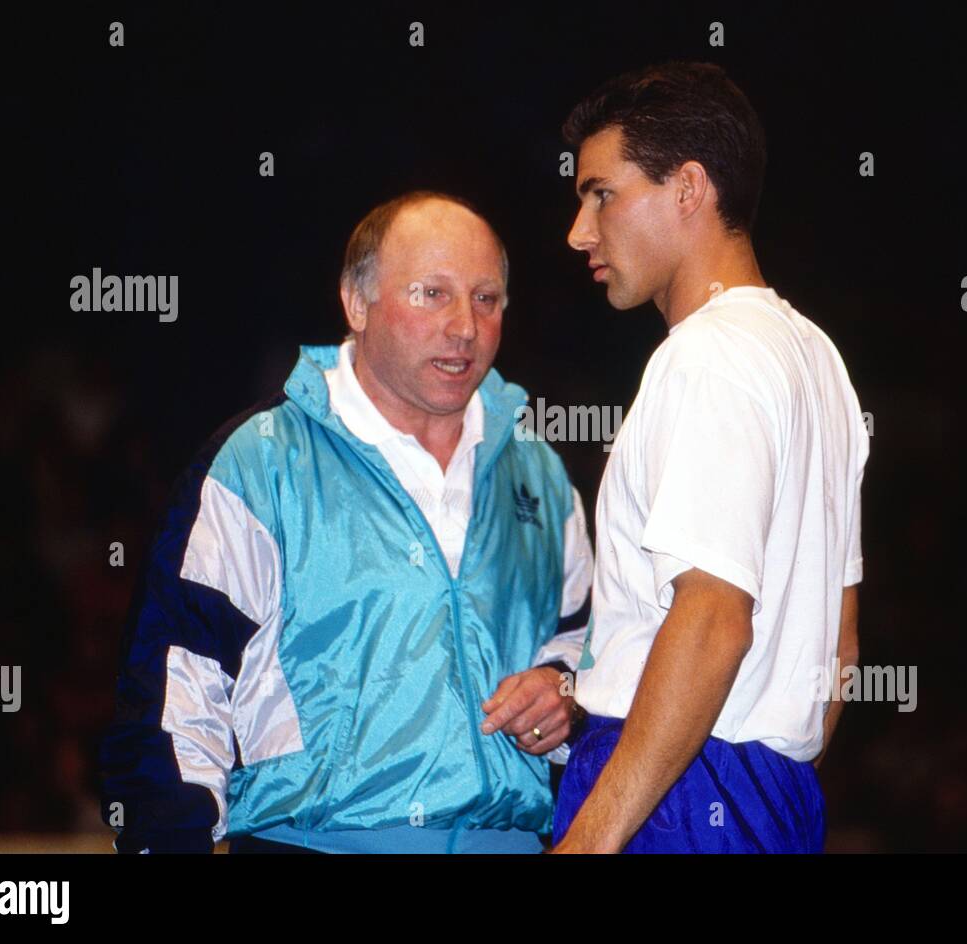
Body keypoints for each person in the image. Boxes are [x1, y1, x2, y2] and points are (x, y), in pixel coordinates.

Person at [99, 191, 593, 854]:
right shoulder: (261, 462)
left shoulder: (540, 474)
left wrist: (564, 690)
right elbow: (177, 692)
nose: (465, 327)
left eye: (486, 298)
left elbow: (597, 647)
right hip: (311, 844)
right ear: (356, 303)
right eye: (431, 293)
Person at [551, 62, 869, 853]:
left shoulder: (708, 356)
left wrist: (589, 843)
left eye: (601, 194)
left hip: (675, 794)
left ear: (688, 187)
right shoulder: (818, 360)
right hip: (771, 794)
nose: (579, 231)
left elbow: (714, 618)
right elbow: (844, 649)